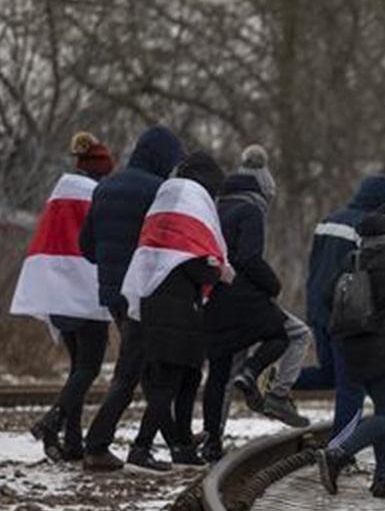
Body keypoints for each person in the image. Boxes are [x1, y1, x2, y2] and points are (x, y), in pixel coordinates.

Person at [78, 125, 186, 471]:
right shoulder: (159, 192)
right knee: (130, 373)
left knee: (146, 366)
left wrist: (110, 268)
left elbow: (86, 246)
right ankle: (96, 446)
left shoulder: (106, 186)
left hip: (113, 294)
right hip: (144, 294)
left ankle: (175, 441)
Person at [121, 152, 230, 471]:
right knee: (169, 385)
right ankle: (140, 447)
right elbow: (201, 271)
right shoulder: (190, 229)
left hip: (159, 311)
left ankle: (181, 446)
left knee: (185, 379)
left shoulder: (163, 216)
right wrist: (219, 272)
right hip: (179, 315)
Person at [12, 132, 115, 462]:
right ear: (100, 171)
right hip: (86, 295)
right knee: (89, 367)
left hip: (58, 293)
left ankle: (72, 441)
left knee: (77, 369)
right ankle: (52, 421)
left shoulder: (58, 195)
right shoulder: (97, 196)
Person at [202, 148, 308, 464]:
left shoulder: (216, 205)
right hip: (244, 296)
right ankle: (263, 384)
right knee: (290, 333)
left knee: (220, 372)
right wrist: (272, 284)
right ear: (263, 189)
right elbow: (249, 257)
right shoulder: (251, 210)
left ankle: (211, 440)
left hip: (213, 295)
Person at [316, 198, 385, 499]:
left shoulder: (357, 254)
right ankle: (338, 453)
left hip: (351, 342)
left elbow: (327, 295)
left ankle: (384, 477)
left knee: (383, 412)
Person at [294, 175, 385, 440]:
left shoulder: (327, 222)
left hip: (318, 308)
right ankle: (340, 449)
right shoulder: (368, 227)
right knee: (351, 386)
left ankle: (279, 380)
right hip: (346, 315)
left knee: (329, 374)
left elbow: (315, 265)